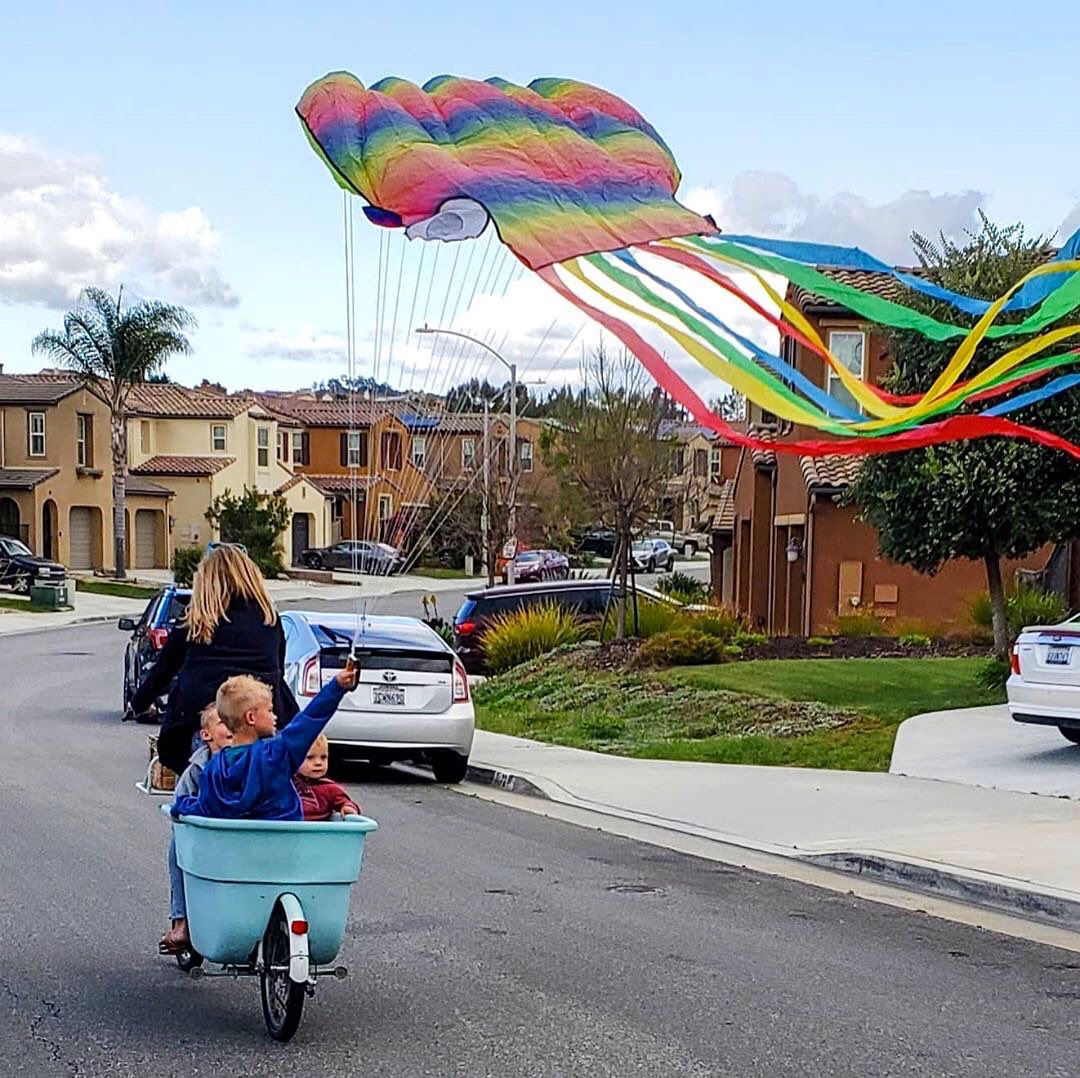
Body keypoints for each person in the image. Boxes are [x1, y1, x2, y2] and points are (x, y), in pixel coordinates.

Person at [130, 545, 298, 775]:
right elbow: (278, 668)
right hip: (260, 720)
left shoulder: (196, 621)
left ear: (206, 580)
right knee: (265, 783)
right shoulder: (269, 619)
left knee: (198, 782)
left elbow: (165, 669)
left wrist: (139, 703)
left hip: (205, 719)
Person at [171, 665, 359, 821]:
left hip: (232, 851)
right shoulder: (276, 754)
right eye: (269, 710)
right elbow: (309, 720)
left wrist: (180, 805)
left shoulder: (213, 768)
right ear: (251, 717)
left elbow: (204, 807)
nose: (275, 716)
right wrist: (336, 687)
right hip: (280, 848)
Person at [161, 704, 232, 954]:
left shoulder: (255, 759)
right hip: (207, 837)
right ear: (206, 734)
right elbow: (179, 804)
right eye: (222, 722)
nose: (230, 727)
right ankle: (181, 920)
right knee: (178, 848)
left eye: (233, 721)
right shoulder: (196, 769)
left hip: (244, 835)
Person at [295, 735, 360, 821]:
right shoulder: (285, 784)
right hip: (287, 826)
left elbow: (345, 801)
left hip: (317, 828)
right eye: (310, 757)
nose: (318, 763)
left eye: (323, 757)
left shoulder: (330, 788)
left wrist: (348, 807)